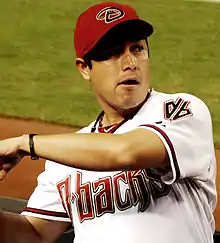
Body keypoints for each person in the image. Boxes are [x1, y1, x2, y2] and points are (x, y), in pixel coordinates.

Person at [0, 1, 217, 243]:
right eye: (113, 53)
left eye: (137, 49)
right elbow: (34, 234)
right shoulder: (68, 153)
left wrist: (25, 143)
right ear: (85, 68)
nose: (130, 63)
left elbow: (125, 152)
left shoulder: (180, 111)